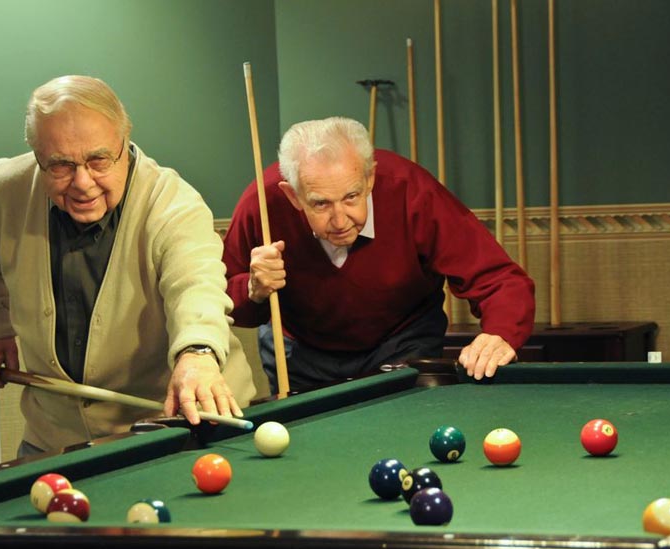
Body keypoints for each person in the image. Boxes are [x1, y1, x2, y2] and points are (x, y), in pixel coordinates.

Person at [0, 75, 255, 456]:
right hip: (56, 438)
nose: (82, 182)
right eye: (60, 165)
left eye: (98, 160)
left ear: (125, 144)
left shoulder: (173, 203)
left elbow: (196, 285)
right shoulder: (4, 190)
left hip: (184, 426)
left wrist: (198, 355)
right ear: (37, 156)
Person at [222, 117, 535, 393]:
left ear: (369, 179)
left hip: (403, 342)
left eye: (351, 197)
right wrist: (254, 290)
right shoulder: (261, 205)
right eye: (320, 204)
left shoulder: (411, 191)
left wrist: (499, 333)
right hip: (301, 353)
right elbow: (223, 299)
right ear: (293, 195)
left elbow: (499, 279)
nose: (340, 219)